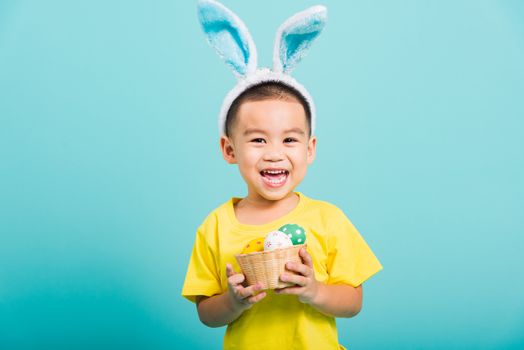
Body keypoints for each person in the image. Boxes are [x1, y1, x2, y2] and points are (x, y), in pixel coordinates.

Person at [182, 1, 382, 349]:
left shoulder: (328, 219)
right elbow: (206, 313)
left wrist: (314, 291)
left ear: (309, 149)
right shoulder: (214, 227)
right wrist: (233, 301)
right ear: (230, 150)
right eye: (258, 139)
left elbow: (354, 302)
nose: (275, 153)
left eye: (289, 139)